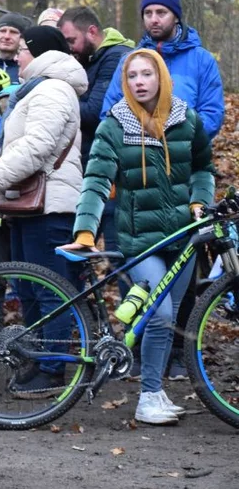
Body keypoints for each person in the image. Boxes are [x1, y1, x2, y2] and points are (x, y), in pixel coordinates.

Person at [63, 49, 213, 424]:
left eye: (147, 74)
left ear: (161, 77)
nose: (140, 82)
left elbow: (203, 169)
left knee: (170, 318)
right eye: (132, 76)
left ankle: (155, 391)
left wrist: (199, 202)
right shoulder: (114, 124)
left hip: (184, 236)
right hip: (139, 240)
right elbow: (96, 181)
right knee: (159, 312)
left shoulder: (186, 119)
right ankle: (146, 399)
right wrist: (85, 230)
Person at [0, 26, 87, 397]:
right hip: (28, 204)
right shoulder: (37, 89)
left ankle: (52, 369)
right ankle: (38, 359)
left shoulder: (53, 89)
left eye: (22, 50)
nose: (16, 56)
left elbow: (36, 146)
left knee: (51, 290)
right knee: (30, 288)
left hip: (49, 206)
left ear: (38, 53)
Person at [100, 0, 224, 140]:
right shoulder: (129, 61)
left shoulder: (202, 60)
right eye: (148, 13)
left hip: (186, 157)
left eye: (161, 12)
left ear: (176, 17)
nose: (154, 19)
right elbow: (109, 112)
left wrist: (180, 141)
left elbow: (212, 113)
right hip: (137, 156)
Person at [58, 6, 136, 164]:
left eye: (72, 41)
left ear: (92, 32)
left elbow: (95, 112)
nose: (69, 48)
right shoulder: (88, 58)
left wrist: (56, 101)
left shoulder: (115, 58)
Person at [0, 12, 31, 80]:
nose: (6, 36)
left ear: (22, 38)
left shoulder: (28, 70)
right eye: (2, 31)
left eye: (13, 32)